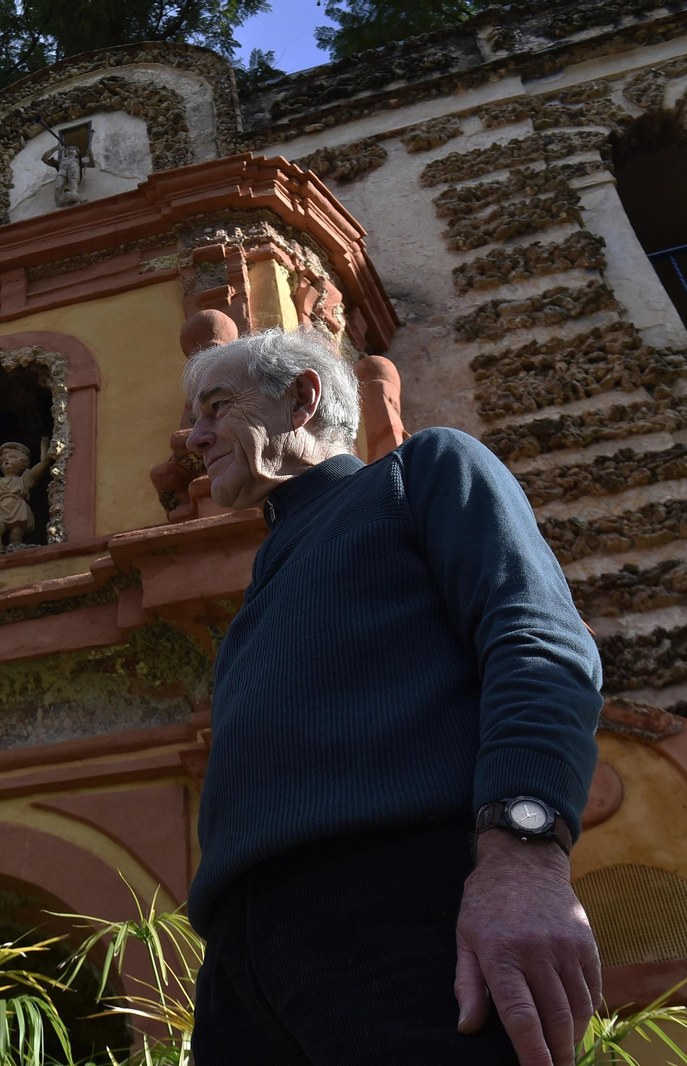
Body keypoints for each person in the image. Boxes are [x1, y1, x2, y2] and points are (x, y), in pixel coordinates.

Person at [182, 327, 604, 1066]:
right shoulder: (265, 578)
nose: (193, 435)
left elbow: (537, 643)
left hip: (397, 907)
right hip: (240, 966)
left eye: (216, 407)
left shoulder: (423, 472)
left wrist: (525, 851)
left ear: (304, 399)